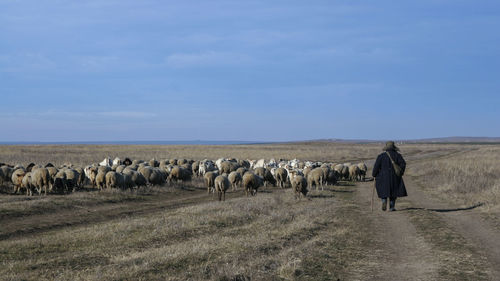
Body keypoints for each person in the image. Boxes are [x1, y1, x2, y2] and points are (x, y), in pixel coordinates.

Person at [372, 141, 407, 211]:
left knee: (383, 189)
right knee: (394, 191)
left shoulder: (381, 156)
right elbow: (403, 164)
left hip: (383, 176)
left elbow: (376, 167)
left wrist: (374, 174)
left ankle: (384, 200)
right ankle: (391, 207)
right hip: (395, 177)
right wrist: (400, 172)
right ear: (394, 147)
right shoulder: (398, 155)